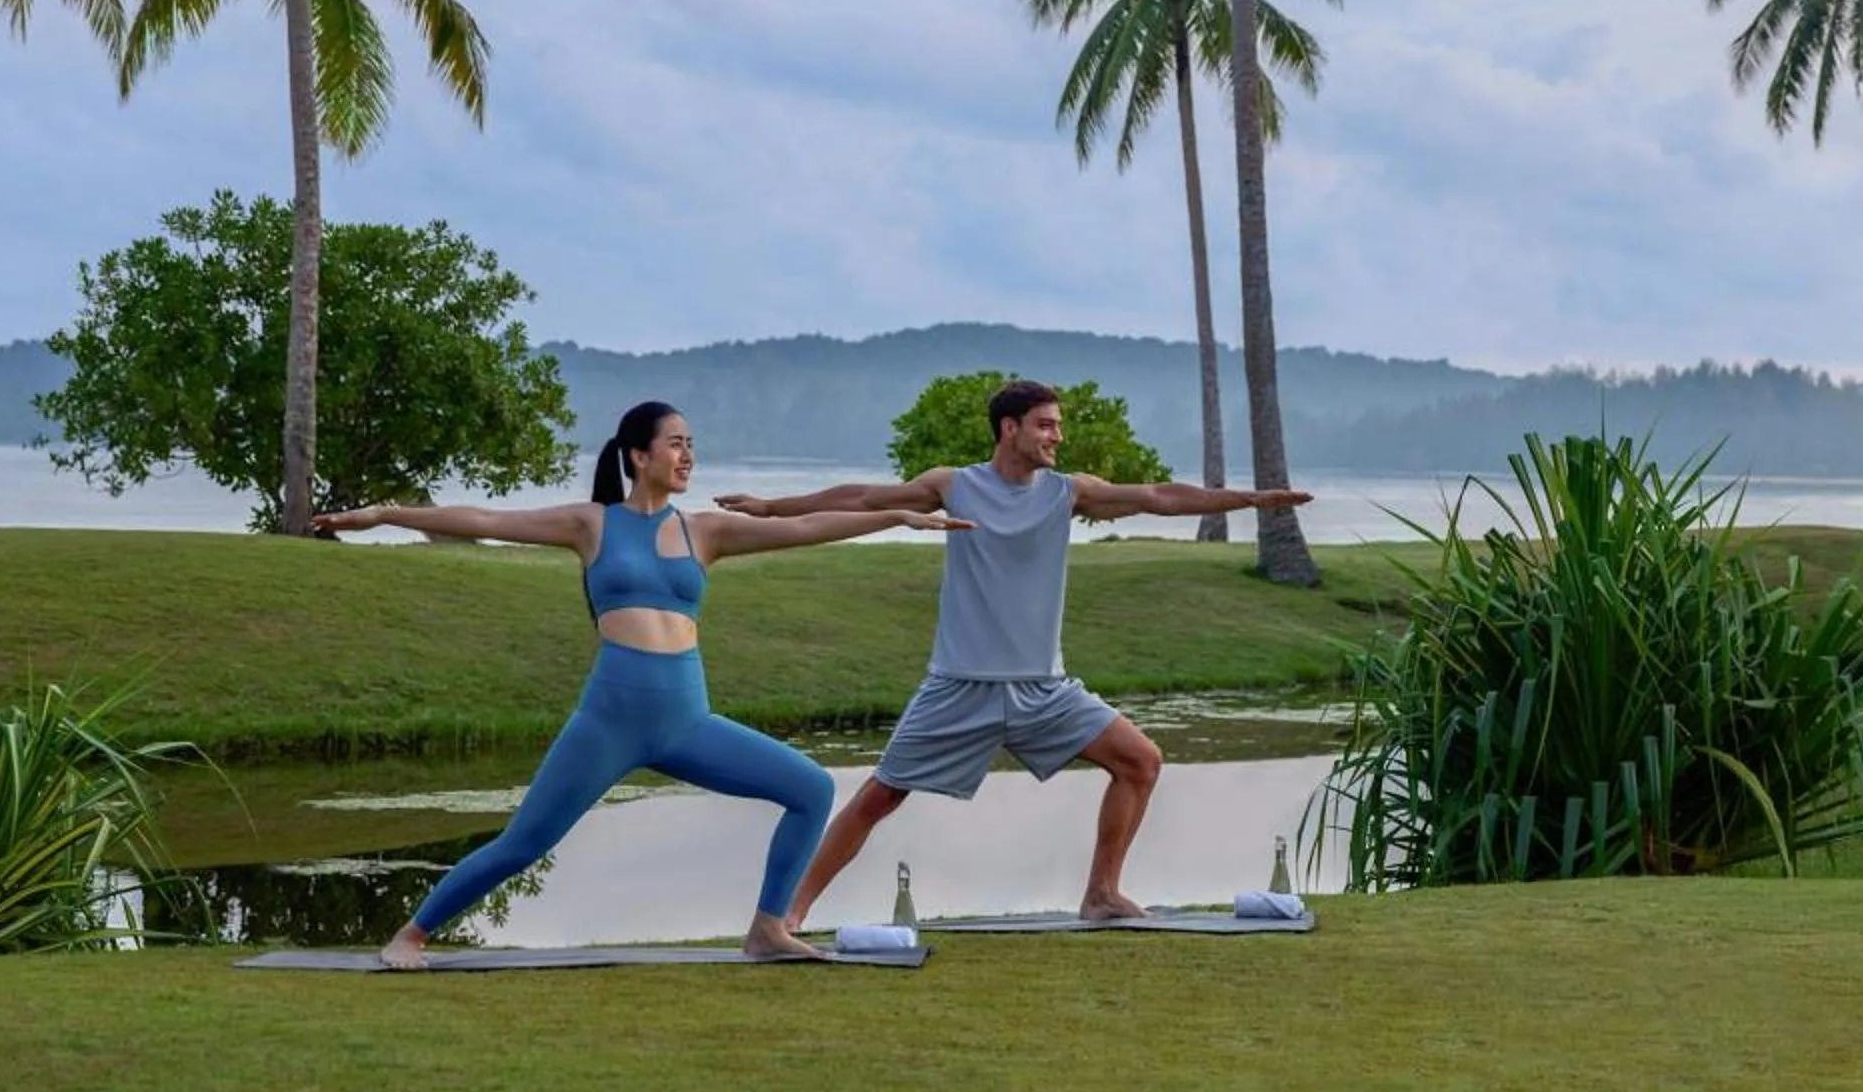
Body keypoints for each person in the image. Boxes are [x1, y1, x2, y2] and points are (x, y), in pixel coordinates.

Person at [313, 400, 970, 968]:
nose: (688, 455)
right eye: (676, 443)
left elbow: (799, 528)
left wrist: (897, 518)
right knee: (525, 842)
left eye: (692, 445)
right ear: (638, 454)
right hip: (610, 721)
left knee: (810, 787)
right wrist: (382, 515)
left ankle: (769, 929)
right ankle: (412, 933)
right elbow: (483, 520)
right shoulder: (591, 524)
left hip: (687, 721)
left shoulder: (704, 531)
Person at [715, 377, 1312, 927]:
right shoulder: (955, 485)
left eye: (1058, 425)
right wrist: (773, 508)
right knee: (880, 796)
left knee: (1140, 761)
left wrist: (1252, 501)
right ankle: (786, 919)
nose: (1057, 436)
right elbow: (864, 497)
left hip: (1043, 689)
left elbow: (1158, 496)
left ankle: (1102, 894)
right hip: (960, 685)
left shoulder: (1067, 493)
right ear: (1010, 429)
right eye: (1046, 425)